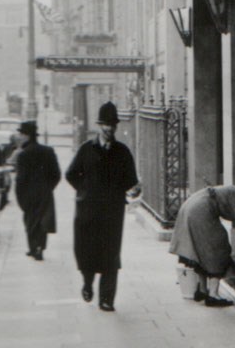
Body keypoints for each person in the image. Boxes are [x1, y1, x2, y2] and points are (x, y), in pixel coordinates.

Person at [65, 101, 140, 312]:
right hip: (88, 211)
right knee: (87, 252)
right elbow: (70, 174)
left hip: (112, 213)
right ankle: (88, 284)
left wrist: (125, 191)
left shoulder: (122, 152)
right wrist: (85, 191)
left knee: (110, 254)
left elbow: (130, 180)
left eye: (113, 125)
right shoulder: (86, 150)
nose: (109, 128)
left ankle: (107, 298)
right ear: (99, 125)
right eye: (106, 124)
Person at [168, 181, 235, 307]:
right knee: (218, 247)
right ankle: (213, 295)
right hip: (201, 210)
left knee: (201, 248)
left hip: (190, 204)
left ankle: (202, 290)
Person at [13, 120, 61, 261]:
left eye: (21, 134)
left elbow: (20, 179)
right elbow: (56, 174)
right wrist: (49, 187)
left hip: (28, 194)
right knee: (42, 221)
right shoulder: (48, 151)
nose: (19, 137)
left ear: (28, 136)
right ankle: (39, 247)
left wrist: (20, 197)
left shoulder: (22, 155)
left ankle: (33, 248)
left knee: (30, 221)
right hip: (45, 192)